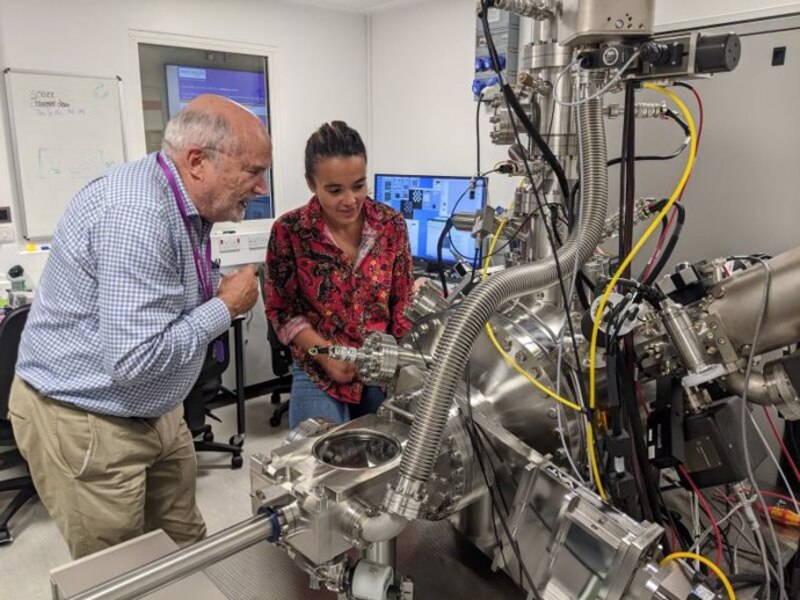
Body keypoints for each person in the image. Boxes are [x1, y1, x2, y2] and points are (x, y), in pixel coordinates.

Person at [7, 94, 269, 559]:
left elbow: (168, 300)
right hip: (87, 417)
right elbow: (134, 359)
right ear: (197, 162)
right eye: (252, 171)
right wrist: (225, 307)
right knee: (119, 572)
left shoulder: (185, 203)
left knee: (183, 547)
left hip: (156, 409)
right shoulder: (137, 216)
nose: (261, 187)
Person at [265, 121, 413, 428]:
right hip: (318, 369)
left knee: (395, 452)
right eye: (334, 190)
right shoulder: (289, 232)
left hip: (380, 368)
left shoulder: (391, 225)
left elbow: (402, 303)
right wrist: (323, 352)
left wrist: (404, 367)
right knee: (318, 461)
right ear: (311, 183)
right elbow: (282, 311)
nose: (350, 200)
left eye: (359, 185)